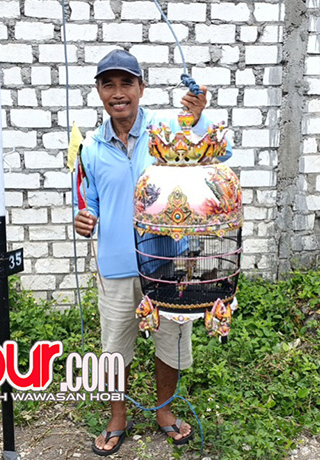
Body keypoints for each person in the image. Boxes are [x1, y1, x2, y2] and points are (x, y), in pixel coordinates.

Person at [72, 49, 230, 456]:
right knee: (115, 349)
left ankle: (164, 411)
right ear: (99, 91)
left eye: (127, 83)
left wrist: (197, 117)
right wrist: (83, 218)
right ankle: (117, 418)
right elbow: (87, 201)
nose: (118, 93)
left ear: (141, 88)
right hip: (116, 266)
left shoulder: (166, 130)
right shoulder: (90, 148)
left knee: (171, 342)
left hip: (167, 263)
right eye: (109, 85)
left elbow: (219, 153)